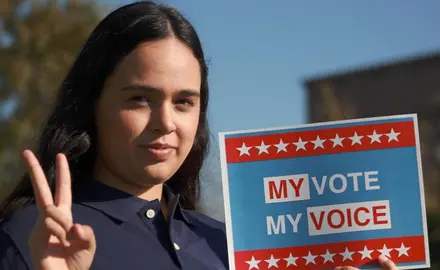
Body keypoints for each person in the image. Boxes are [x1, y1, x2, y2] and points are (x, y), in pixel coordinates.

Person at [0, 1, 399, 270]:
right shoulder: (35, 238)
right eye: (140, 99)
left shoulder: (233, 248)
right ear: (92, 103)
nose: (166, 122)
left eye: (184, 102)